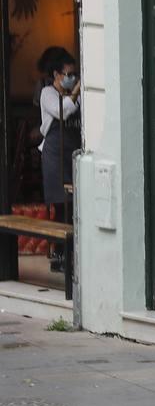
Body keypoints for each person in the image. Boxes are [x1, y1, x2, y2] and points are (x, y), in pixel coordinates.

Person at [38, 48, 80, 270]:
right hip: (55, 155)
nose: (71, 78)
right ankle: (61, 257)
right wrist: (75, 93)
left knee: (75, 206)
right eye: (68, 74)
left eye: (74, 74)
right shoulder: (48, 94)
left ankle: (70, 255)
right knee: (62, 205)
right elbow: (62, 112)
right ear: (56, 74)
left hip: (72, 152)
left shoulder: (77, 95)